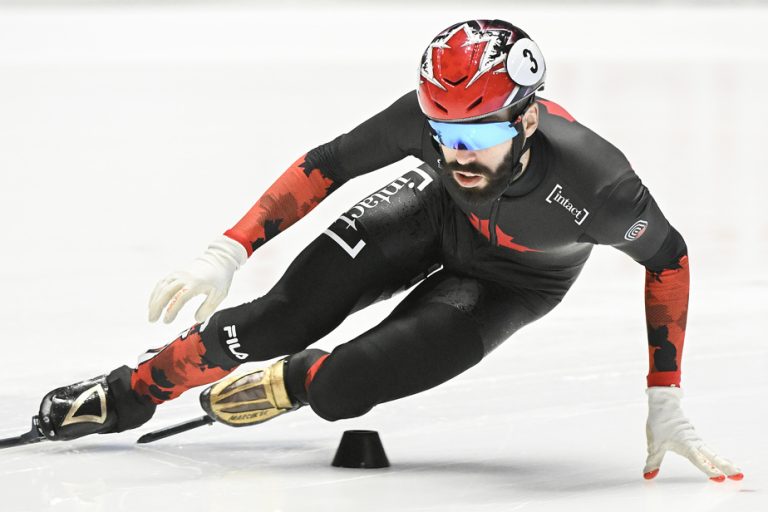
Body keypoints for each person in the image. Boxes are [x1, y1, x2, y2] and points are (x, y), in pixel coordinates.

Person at [26, 19, 741, 481]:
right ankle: (128, 390)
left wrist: (665, 395)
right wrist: (228, 249)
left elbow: (669, 260)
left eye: (479, 139)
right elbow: (328, 163)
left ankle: (301, 380)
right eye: (444, 135)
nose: (459, 155)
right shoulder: (431, 132)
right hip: (429, 216)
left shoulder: (598, 182)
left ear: (526, 121)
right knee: (272, 320)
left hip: (513, 282)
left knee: (341, 392)